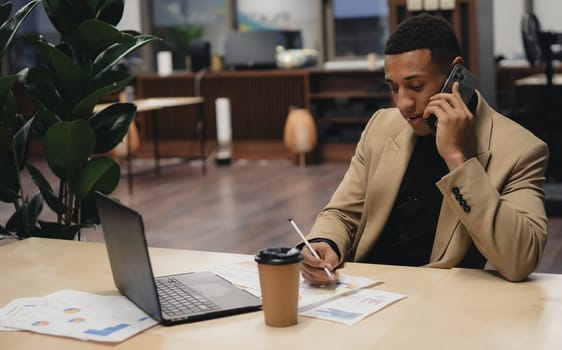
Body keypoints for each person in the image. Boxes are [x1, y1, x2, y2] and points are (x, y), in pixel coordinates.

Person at [300, 13, 549, 284]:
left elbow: (520, 260)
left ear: (456, 74)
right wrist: (325, 243)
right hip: (365, 290)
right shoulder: (382, 126)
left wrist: (457, 159)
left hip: (437, 298)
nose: (403, 103)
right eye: (394, 88)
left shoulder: (520, 150)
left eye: (415, 86)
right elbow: (343, 213)